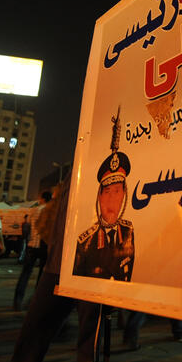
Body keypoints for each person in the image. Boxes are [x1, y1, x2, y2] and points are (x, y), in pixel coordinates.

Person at [0, 171, 104, 362]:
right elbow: (53, 218)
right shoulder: (77, 166)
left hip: (96, 269)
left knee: (88, 348)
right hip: (57, 266)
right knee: (31, 335)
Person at [73, 108, 135, 281]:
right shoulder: (85, 242)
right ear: (99, 196)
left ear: (124, 195)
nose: (111, 199)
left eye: (117, 191)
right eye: (107, 192)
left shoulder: (128, 231)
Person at [12, 190, 51, 311]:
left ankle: (17, 300)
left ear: (42, 199)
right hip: (44, 246)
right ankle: (36, 302)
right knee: (41, 276)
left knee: (25, 273)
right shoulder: (50, 211)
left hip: (31, 245)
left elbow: (26, 227)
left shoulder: (33, 210)